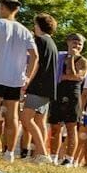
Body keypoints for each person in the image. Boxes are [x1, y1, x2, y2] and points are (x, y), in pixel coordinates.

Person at [0, 0, 39, 161]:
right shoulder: (25, 31)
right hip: (15, 79)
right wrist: (27, 77)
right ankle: (10, 153)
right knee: (12, 117)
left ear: (2, 6)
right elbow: (35, 57)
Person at [18, 13, 59, 163]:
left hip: (38, 85)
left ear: (38, 26)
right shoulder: (52, 43)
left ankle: (41, 153)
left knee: (26, 118)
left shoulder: (39, 41)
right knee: (40, 121)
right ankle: (39, 155)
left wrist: (26, 82)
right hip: (48, 88)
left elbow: (36, 64)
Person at [49, 33, 87, 165]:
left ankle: (69, 159)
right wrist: (63, 76)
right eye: (74, 42)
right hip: (58, 92)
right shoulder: (59, 57)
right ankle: (53, 156)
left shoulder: (83, 61)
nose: (76, 45)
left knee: (71, 127)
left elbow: (75, 76)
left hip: (73, 93)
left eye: (79, 44)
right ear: (68, 42)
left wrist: (72, 57)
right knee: (55, 126)